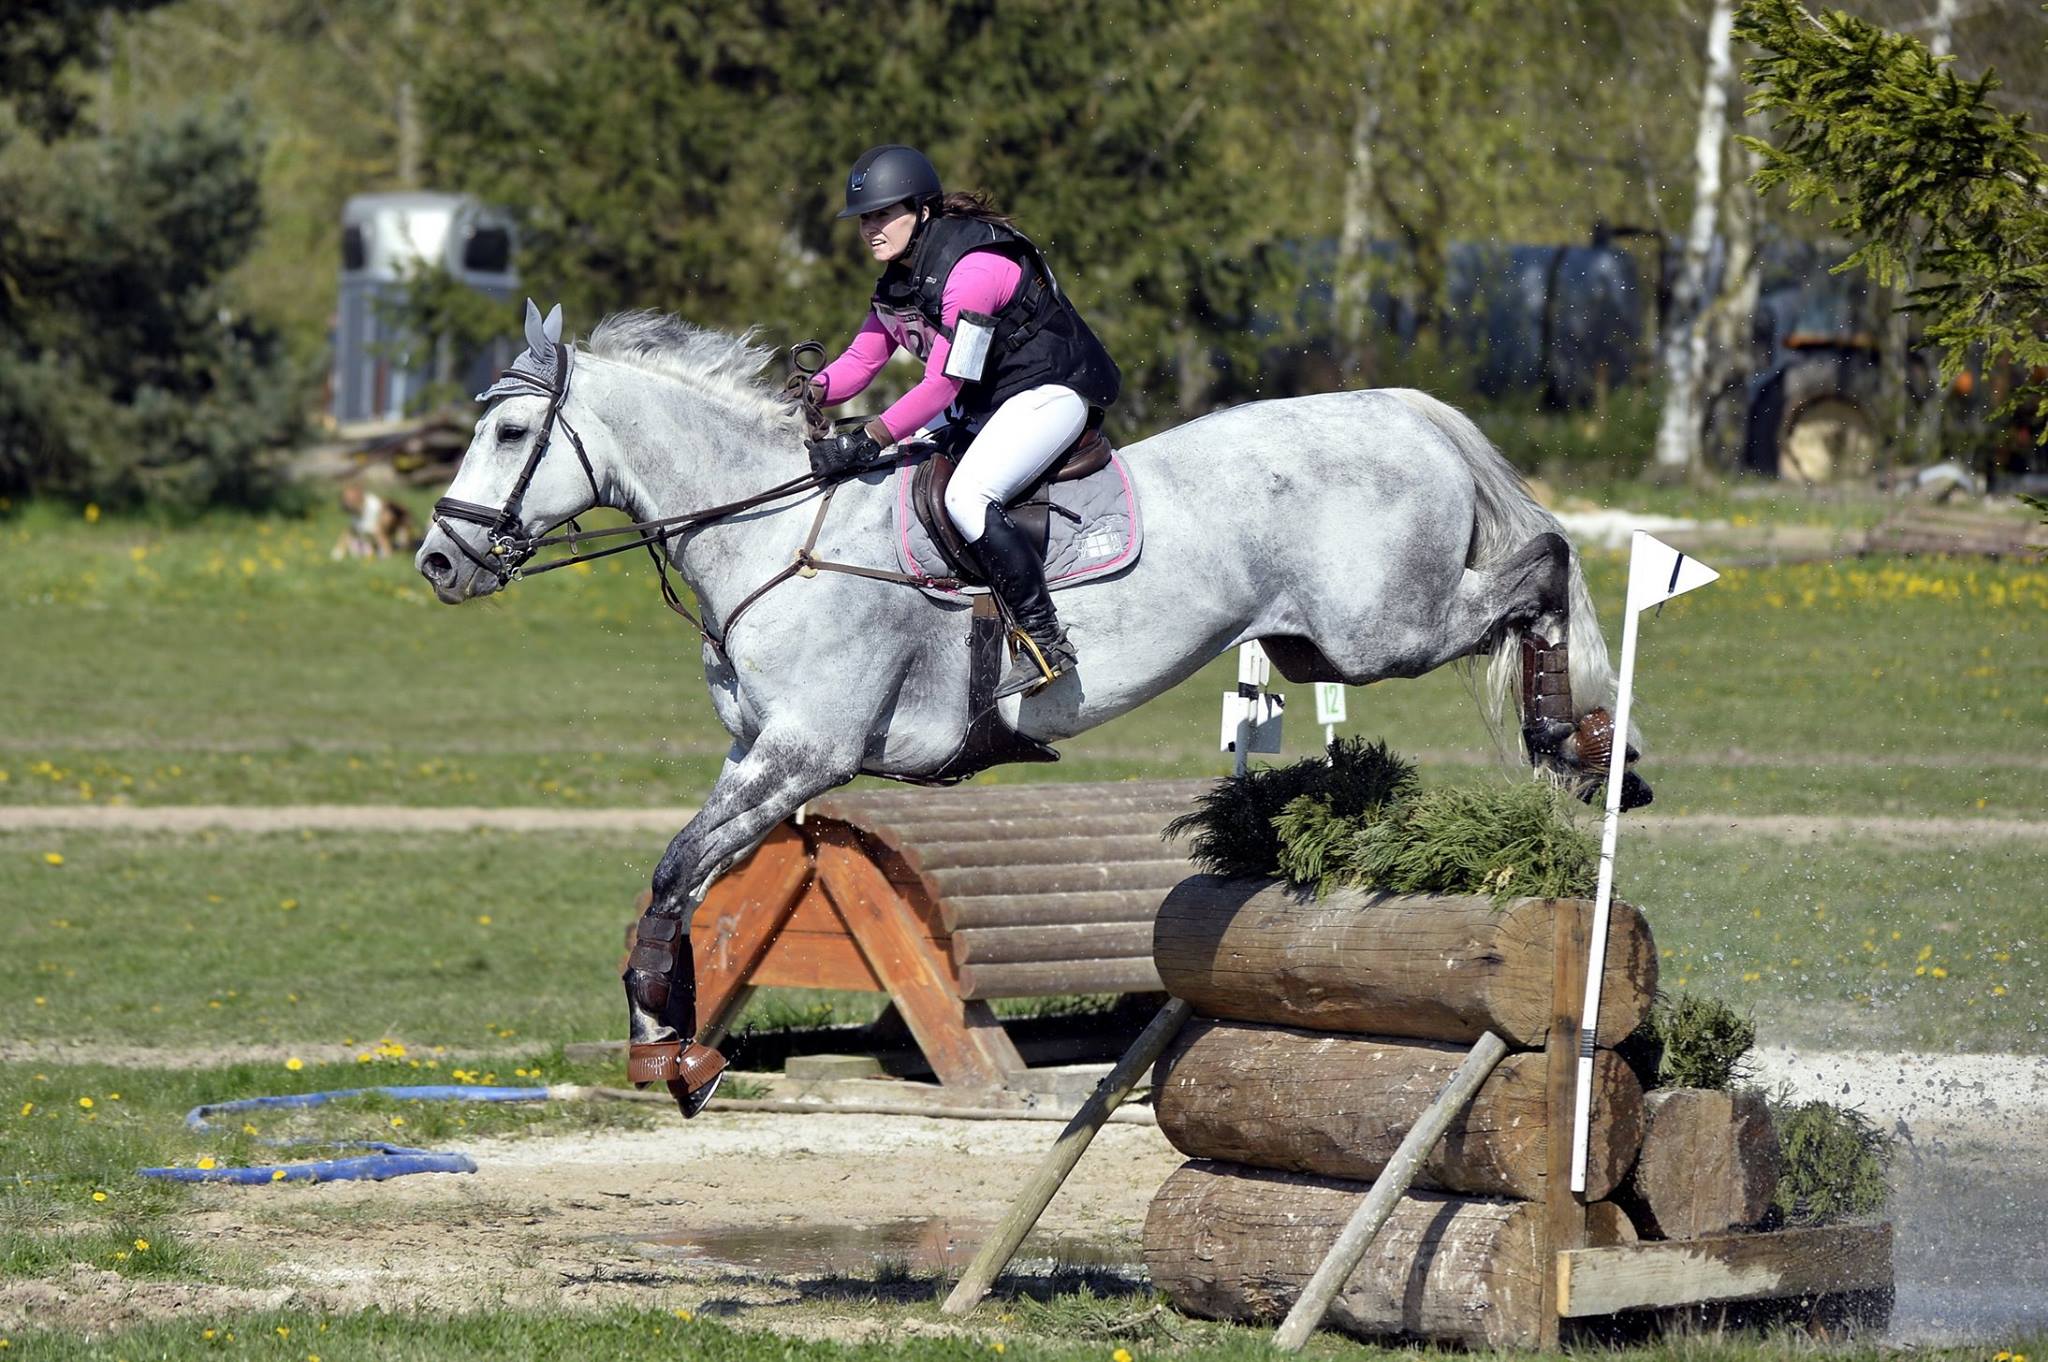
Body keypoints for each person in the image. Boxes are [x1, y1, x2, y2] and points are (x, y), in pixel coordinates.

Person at [799, 145, 1120, 699]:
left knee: (967, 498)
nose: (870, 229)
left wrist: (870, 437)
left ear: (921, 210)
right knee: (903, 473)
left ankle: (1045, 640)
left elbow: (944, 382)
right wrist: (808, 394)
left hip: (1049, 390)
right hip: (986, 399)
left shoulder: (973, 270)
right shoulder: (897, 280)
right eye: (863, 219)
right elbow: (862, 361)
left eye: (882, 214)